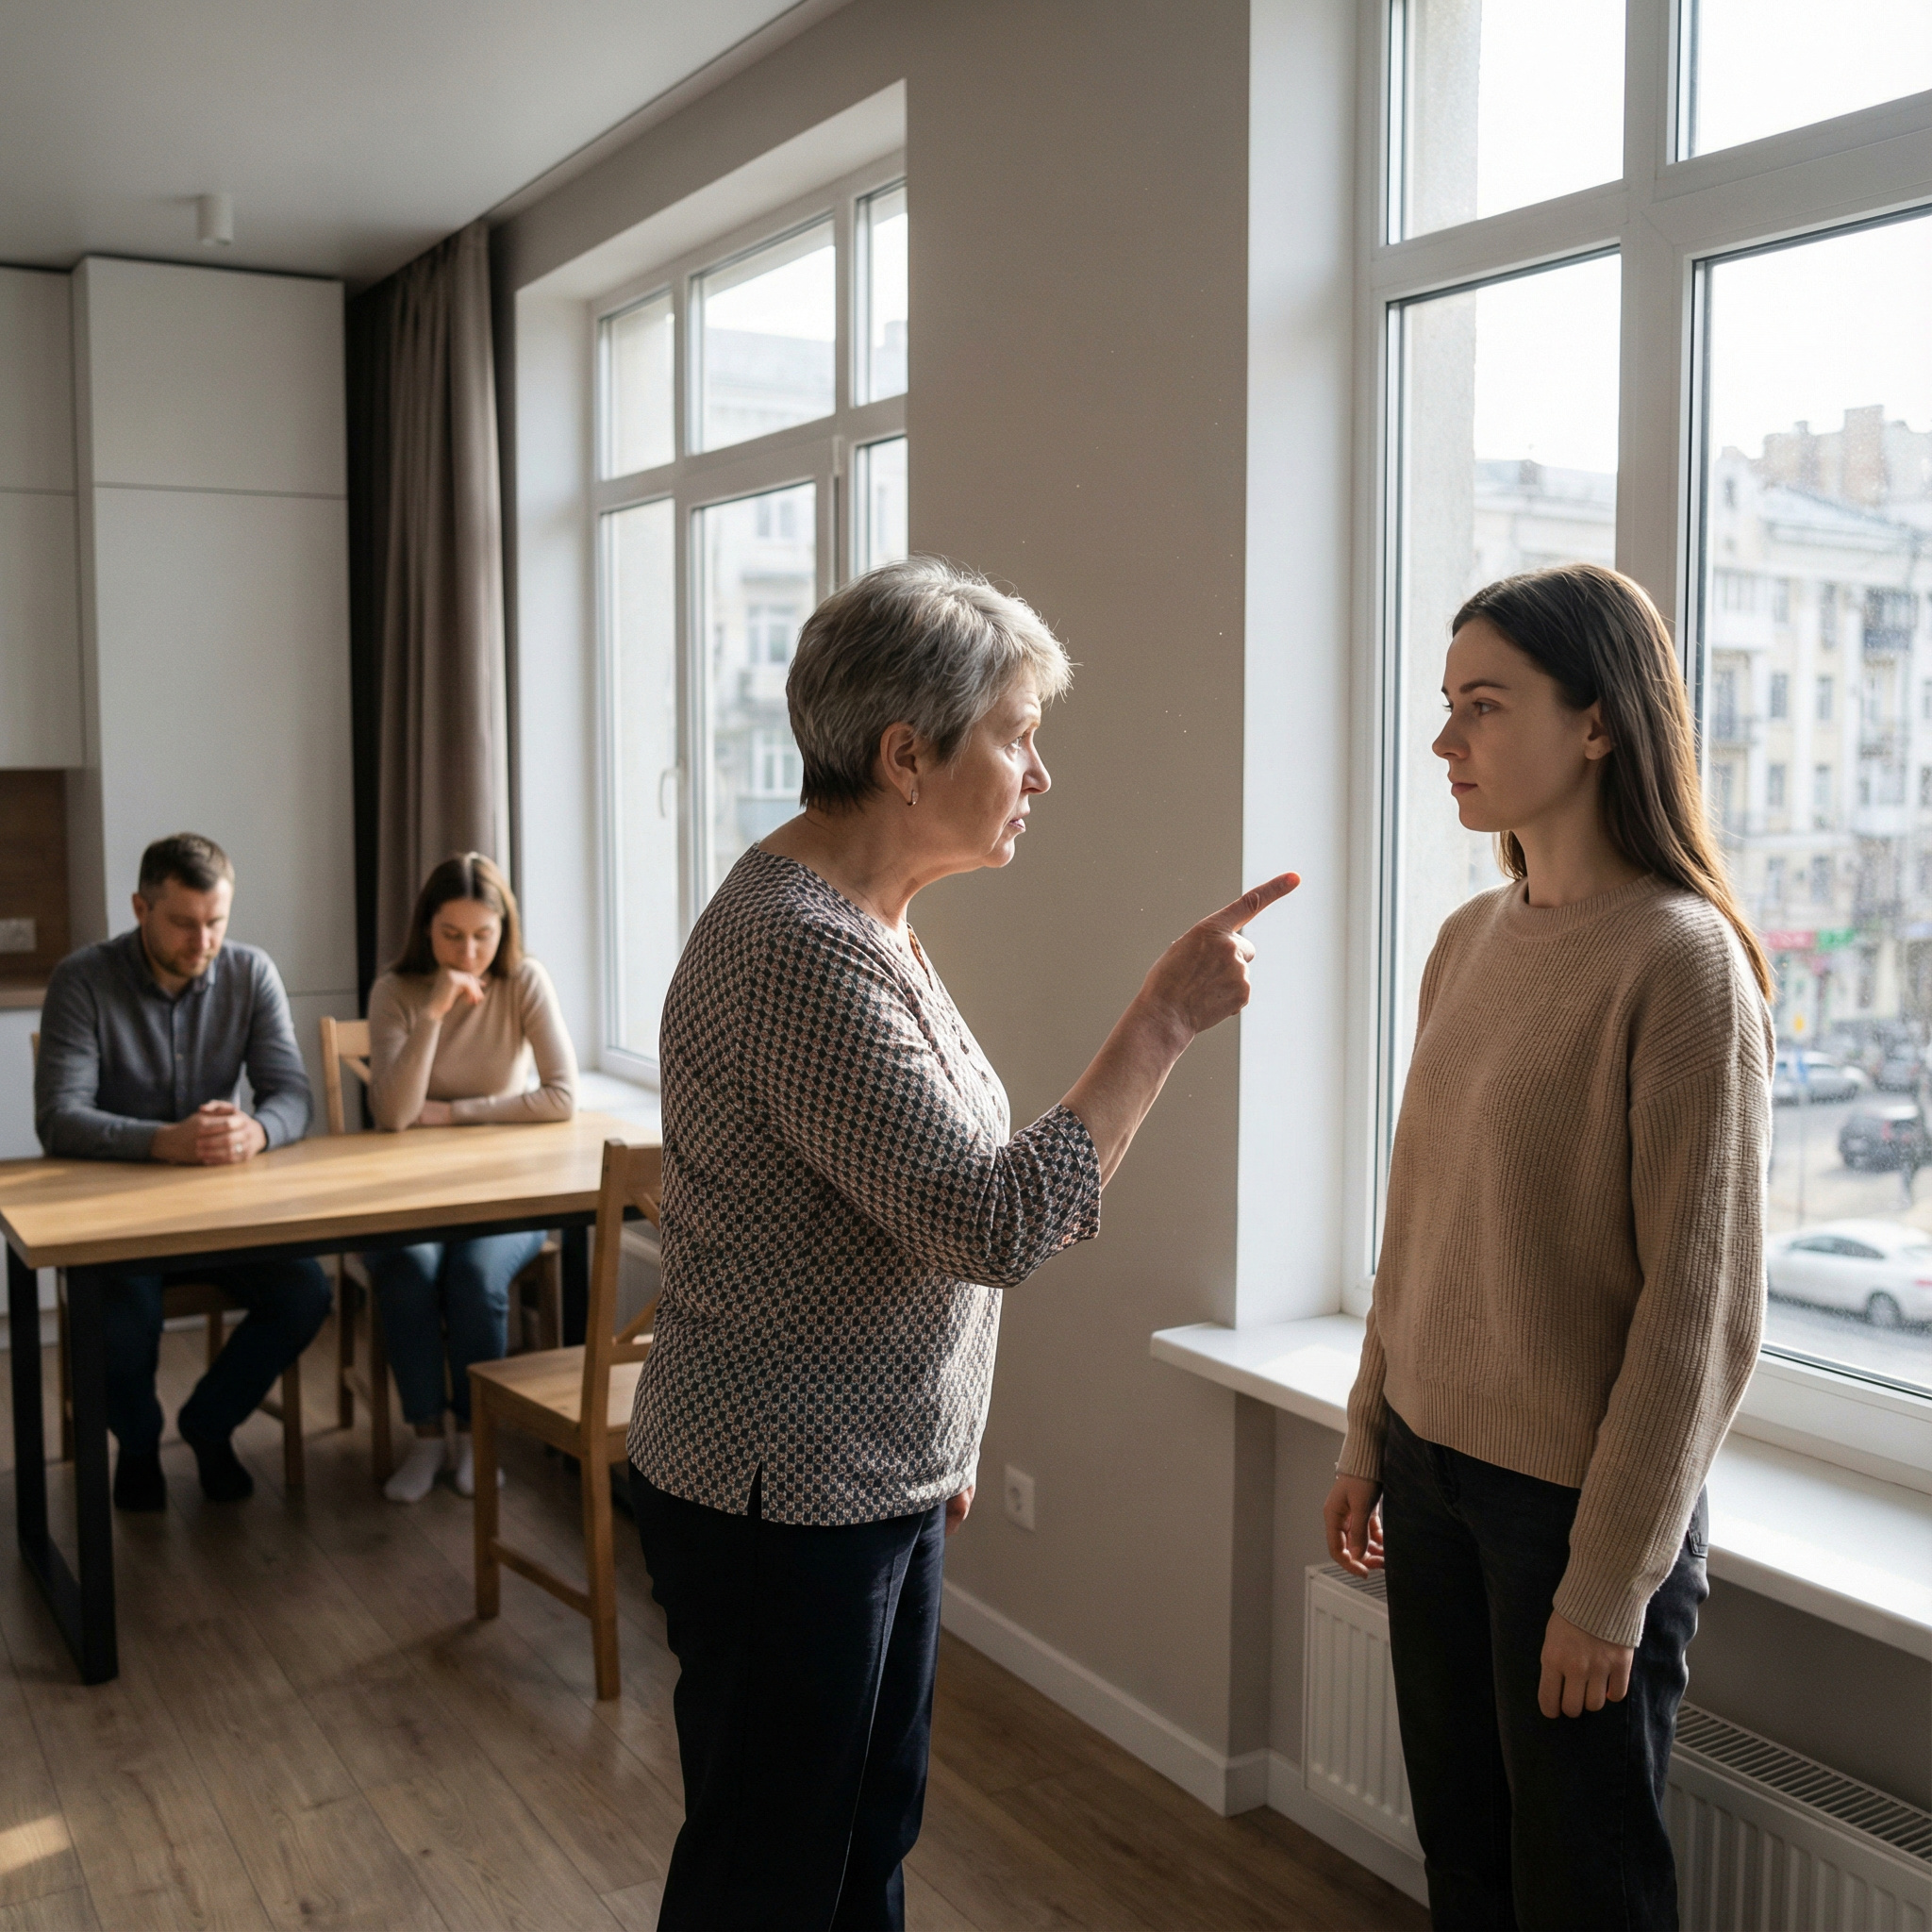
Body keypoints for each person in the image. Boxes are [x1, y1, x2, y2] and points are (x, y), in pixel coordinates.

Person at [626, 556, 1298, 1932]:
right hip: (781, 1499)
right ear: (906, 756)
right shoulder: (797, 949)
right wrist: (1160, 1023)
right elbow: (985, 1220)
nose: (1039, 774)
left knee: (860, 1845)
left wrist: (940, 1449)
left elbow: (899, 1220)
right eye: (1018, 734)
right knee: (774, 1879)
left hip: (864, 1478)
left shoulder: (874, 927)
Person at [1324, 563, 1773, 1929]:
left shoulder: (1683, 964)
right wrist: (1366, 1436)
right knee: (1464, 1865)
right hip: (1432, 1468)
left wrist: (1611, 1579)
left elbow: (1699, 1323)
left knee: (1583, 1892)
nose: (1447, 742)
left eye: (1484, 705)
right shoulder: (1467, 942)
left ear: (1598, 723)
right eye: (1446, 705)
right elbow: (1423, 1221)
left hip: (1568, 1516)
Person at [34, 833, 333, 1511]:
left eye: (216, 922)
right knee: (121, 1323)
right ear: (141, 907)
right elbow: (59, 1117)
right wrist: (162, 1142)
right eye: (184, 923)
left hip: (223, 1216)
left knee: (305, 1293)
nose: (203, 941)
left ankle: (209, 1423)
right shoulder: (82, 980)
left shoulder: (251, 972)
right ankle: (138, 1446)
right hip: (118, 1220)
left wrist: (258, 1130)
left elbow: (293, 1095)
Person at [362, 852, 577, 1503]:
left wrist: (456, 1113)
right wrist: (432, 1011)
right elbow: (395, 1116)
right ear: (426, 928)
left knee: (476, 1277)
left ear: (503, 931)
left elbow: (562, 1096)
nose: (470, 951)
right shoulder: (395, 991)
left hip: (505, 1189)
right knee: (406, 1265)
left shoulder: (525, 981)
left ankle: (476, 1436)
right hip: (412, 1194)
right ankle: (429, 1437)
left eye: (484, 935)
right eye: (452, 934)